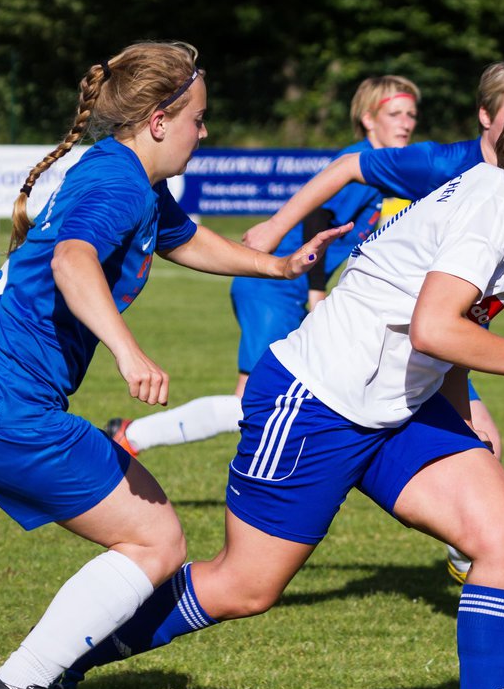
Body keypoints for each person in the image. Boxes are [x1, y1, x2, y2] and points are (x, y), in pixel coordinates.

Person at [49, 88, 504, 689]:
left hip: (394, 409)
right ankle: (58, 664)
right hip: (313, 402)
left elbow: (431, 332)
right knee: (244, 587)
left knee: (503, 539)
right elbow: (436, 326)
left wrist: (462, 411)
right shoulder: (489, 216)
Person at [0, 41, 345, 689]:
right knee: (158, 540)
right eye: (199, 119)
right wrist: (127, 349)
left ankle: (26, 680)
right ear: (160, 119)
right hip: (7, 405)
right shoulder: (118, 185)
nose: (206, 134)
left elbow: (185, 238)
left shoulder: (125, 175)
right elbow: (75, 260)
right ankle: (26, 679)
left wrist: (276, 262)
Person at [244, 62, 504, 591]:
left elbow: (447, 324)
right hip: (344, 378)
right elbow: (434, 323)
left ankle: (478, 563)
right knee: (244, 589)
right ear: (487, 118)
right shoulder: (468, 179)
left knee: (500, 527)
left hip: (409, 370)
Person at [105, 75, 420, 456]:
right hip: (274, 287)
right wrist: (317, 291)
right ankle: (131, 436)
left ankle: (132, 435)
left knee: (282, 397)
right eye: (396, 113)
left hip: (284, 286)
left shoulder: (382, 168)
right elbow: (318, 218)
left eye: (411, 114)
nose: (406, 122)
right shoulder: (362, 163)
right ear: (369, 120)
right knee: (254, 401)